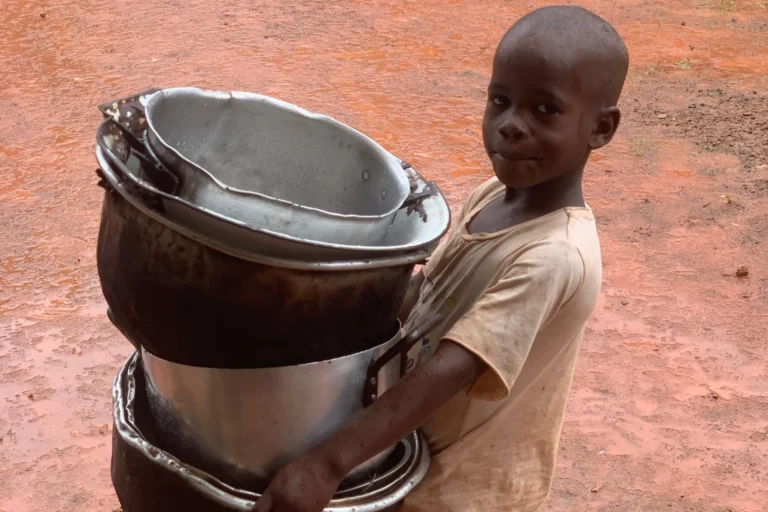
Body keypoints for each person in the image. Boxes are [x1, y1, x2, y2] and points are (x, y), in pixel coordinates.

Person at [254, 5, 629, 511]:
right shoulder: (493, 195)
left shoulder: (555, 256)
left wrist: (327, 464)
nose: (512, 125)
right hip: (415, 458)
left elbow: (455, 366)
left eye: (545, 110)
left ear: (601, 129)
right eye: (501, 101)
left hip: (464, 492)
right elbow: (426, 292)